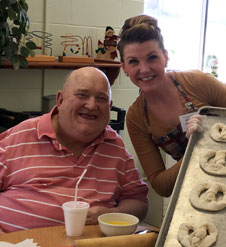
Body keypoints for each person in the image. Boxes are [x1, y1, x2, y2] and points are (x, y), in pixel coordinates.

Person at [117, 14, 226, 198]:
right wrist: (197, 148)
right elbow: (161, 186)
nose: (144, 69)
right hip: (199, 193)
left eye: (152, 58)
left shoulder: (198, 83)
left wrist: (213, 134)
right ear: (124, 67)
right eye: (133, 61)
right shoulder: (137, 118)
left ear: (165, 57)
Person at [0, 67, 148, 233]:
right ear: (60, 100)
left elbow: (138, 201)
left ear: (109, 106)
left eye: (101, 98)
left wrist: (114, 213)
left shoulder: (115, 147)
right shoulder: (21, 136)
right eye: (82, 95)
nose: (91, 105)